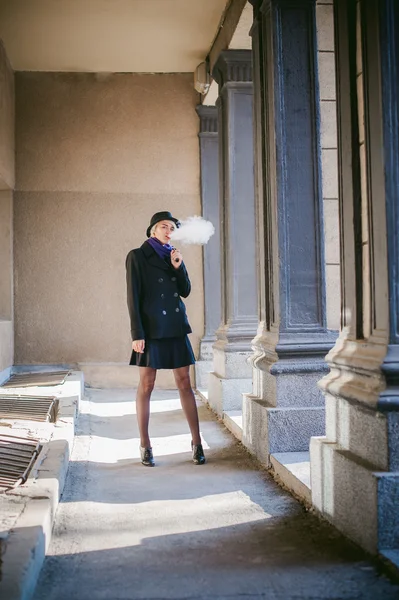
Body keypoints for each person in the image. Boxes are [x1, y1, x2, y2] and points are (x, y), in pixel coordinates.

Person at [126, 211, 206, 467]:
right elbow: (133, 298)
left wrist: (178, 266)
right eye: (164, 226)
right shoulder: (137, 256)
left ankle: (196, 442)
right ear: (152, 230)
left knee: (184, 382)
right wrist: (137, 334)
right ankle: (145, 443)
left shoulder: (174, 256)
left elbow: (185, 291)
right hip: (150, 330)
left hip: (174, 326)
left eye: (172, 228)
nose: (168, 231)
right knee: (147, 385)